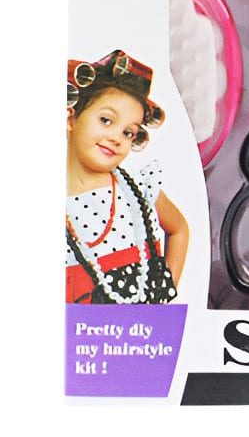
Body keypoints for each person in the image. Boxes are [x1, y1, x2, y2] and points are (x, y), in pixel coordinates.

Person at [65, 50, 189, 303]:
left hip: (142, 325)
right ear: (70, 119)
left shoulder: (138, 189)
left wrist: (164, 297)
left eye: (128, 133)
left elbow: (179, 230)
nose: (116, 138)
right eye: (106, 120)